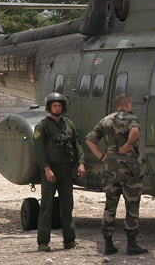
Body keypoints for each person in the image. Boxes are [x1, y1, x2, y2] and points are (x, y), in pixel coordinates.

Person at [85, 93, 148, 256]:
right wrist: (128, 144)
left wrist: (101, 156)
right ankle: (132, 244)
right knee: (132, 205)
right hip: (129, 170)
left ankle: (108, 243)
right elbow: (135, 131)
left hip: (110, 169)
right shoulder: (131, 118)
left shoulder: (105, 120)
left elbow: (89, 140)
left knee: (110, 205)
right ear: (127, 104)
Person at [33, 92, 86, 252]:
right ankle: (43, 242)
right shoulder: (42, 126)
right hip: (51, 170)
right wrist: (46, 168)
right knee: (47, 206)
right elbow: (39, 150)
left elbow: (77, 144)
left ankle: (69, 240)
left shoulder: (68, 124)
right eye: (54, 105)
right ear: (50, 107)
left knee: (67, 205)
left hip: (66, 170)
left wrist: (81, 162)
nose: (57, 108)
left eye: (59, 105)